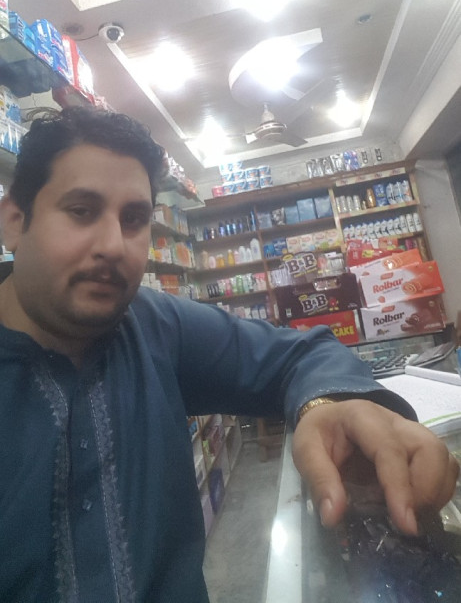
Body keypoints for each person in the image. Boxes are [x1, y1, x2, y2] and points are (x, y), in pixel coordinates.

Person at [0, 106, 457, 603]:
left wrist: (330, 403)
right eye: (81, 210)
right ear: (14, 220)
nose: (113, 245)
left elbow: (302, 354)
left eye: (133, 219)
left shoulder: (155, 325)